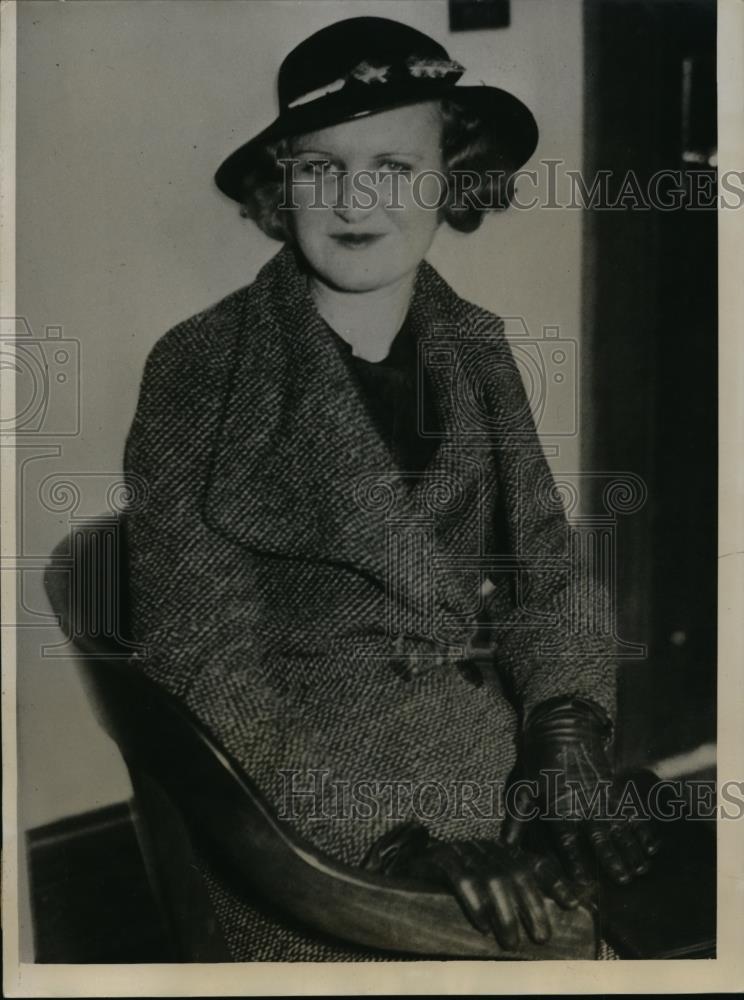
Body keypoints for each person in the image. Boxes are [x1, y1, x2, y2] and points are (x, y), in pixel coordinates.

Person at [124, 16, 657, 961]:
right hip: (309, 834)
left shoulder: (481, 348)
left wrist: (565, 730)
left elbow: (545, 568)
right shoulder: (201, 368)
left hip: (500, 781)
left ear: (453, 178)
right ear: (279, 186)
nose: (356, 198)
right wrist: (391, 841)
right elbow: (205, 668)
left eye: (397, 167)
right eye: (321, 166)